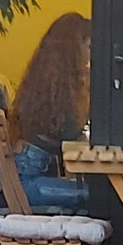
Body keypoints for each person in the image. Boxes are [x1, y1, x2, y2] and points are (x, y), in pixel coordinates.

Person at [11, 13, 91, 212]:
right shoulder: (62, 91)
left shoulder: (46, 84)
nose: (91, 55)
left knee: (102, 195)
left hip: (30, 176)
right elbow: (71, 132)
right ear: (74, 50)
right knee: (102, 196)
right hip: (29, 183)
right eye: (89, 47)